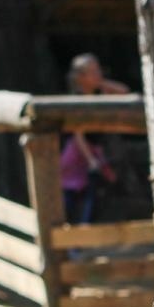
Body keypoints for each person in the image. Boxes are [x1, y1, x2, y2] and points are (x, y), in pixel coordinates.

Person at [59, 53, 128, 225]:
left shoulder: (100, 94)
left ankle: (83, 233)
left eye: (99, 70)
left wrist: (101, 83)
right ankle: (74, 235)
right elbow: (78, 134)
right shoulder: (76, 99)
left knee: (92, 195)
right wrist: (91, 160)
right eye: (93, 71)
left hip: (94, 152)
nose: (98, 74)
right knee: (73, 195)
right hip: (77, 154)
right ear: (81, 77)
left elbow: (124, 92)